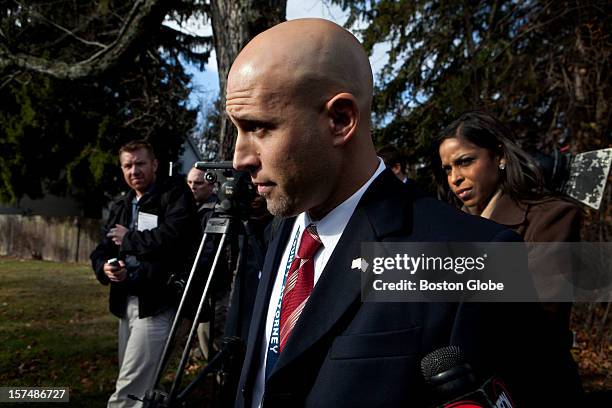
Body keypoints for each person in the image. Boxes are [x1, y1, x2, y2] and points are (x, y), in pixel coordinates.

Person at [227, 18, 582, 407]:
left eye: (259, 127)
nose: (239, 158)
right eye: (237, 130)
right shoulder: (280, 232)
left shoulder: (475, 255)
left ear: (340, 119)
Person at [435, 111, 582, 332]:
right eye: (448, 168)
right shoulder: (448, 227)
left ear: (499, 156)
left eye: (465, 162)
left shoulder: (552, 216)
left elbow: (542, 316)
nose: (455, 178)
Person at [90, 140, 198, 407]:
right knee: (143, 386)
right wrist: (105, 267)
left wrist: (129, 240)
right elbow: (101, 249)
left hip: (159, 304)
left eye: (140, 163)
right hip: (127, 302)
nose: (134, 170)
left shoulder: (174, 195)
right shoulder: (122, 205)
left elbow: (174, 238)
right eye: (127, 165)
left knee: (128, 391)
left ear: (154, 165)